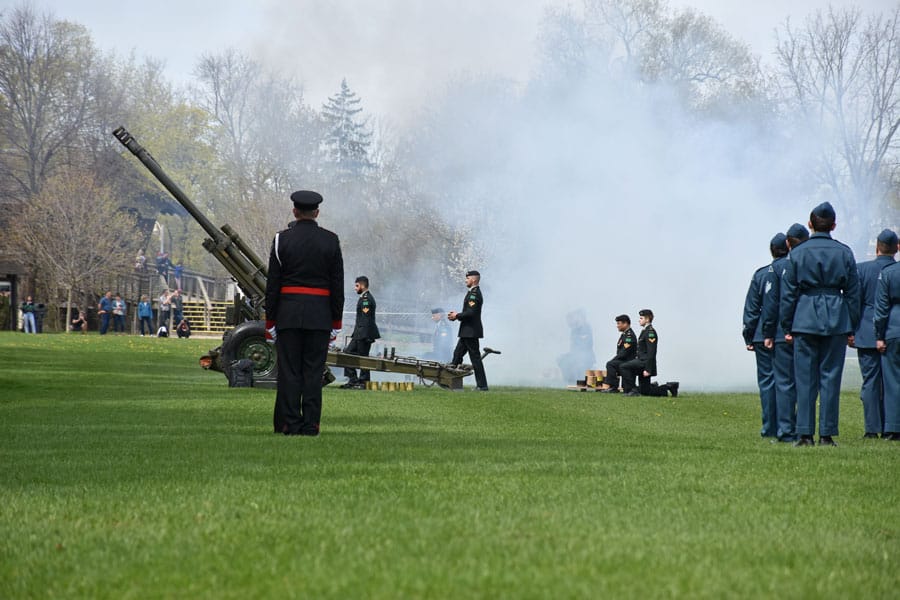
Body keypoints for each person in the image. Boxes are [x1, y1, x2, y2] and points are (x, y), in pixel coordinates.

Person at [781, 202, 860, 447]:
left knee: (804, 378)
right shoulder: (844, 252)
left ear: (810, 224)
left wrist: (787, 325)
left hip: (805, 317)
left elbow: (788, 294)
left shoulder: (797, 252)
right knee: (831, 377)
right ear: (834, 225)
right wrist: (851, 325)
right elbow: (854, 294)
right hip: (836, 317)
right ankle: (826, 434)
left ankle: (804, 434)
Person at [265, 190, 344, 436]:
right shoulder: (331, 240)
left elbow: (273, 284)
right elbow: (337, 285)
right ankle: (311, 425)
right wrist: (336, 322)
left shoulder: (281, 239)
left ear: (295, 212)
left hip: (288, 314)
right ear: (317, 213)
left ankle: (289, 423)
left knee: (289, 372)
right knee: (313, 372)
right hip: (319, 316)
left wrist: (270, 320)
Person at [761, 224, 809, 443]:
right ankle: (805, 429)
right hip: (809, 325)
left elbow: (774, 303)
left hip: (786, 330)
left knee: (784, 382)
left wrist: (771, 331)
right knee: (807, 382)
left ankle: (786, 431)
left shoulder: (774, 270)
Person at [853, 229, 898, 438]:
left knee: (870, 381)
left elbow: (854, 302)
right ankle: (892, 424)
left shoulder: (861, 270)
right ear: (896, 248)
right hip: (893, 329)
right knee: (893, 380)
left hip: (866, 331)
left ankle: (872, 428)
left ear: (877, 247)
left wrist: (851, 330)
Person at [742, 234, 785, 439]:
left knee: (767, 383)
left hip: (761, 335)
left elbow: (751, 309)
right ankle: (788, 426)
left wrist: (748, 336)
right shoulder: (793, 271)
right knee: (787, 381)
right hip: (786, 334)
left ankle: (769, 428)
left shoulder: (760, 274)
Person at [620, 309, 678, 397]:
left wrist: (648, 369)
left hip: (645, 363)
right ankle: (669, 387)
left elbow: (652, 352)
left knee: (624, 367)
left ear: (647, 319)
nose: (639, 320)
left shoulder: (650, 332)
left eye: (641, 318)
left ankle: (633, 390)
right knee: (645, 391)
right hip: (642, 362)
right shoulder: (645, 331)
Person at [448, 270, 488, 391]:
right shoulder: (471, 293)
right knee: (457, 356)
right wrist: (456, 316)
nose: (466, 280)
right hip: (467, 331)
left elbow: (471, 313)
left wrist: (457, 316)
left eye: (468, 278)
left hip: (470, 332)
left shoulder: (474, 294)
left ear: (474, 280)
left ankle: (482, 386)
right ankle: (450, 381)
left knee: (475, 359)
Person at [341, 276, 381, 389]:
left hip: (364, 334)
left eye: (357, 285)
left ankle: (363, 382)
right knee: (348, 354)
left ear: (363, 286)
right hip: (360, 333)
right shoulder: (364, 298)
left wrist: (361, 336)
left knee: (363, 359)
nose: (355, 288)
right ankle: (353, 380)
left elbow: (365, 319)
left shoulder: (366, 299)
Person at [598, 314, 637, 393]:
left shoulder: (629, 336)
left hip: (628, 361)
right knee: (612, 364)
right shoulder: (624, 335)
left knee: (610, 364)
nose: (617, 326)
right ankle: (613, 386)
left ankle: (613, 387)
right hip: (624, 361)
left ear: (625, 323)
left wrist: (613, 359)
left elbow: (624, 353)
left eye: (619, 323)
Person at [557, 308, 595, 384]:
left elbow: (585, 345)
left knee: (577, 364)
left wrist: (575, 356)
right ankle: (569, 381)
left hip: (586, 357)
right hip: (575, 355)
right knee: (561, 359)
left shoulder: (585, 328)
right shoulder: (574, 330)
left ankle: (578, 382)